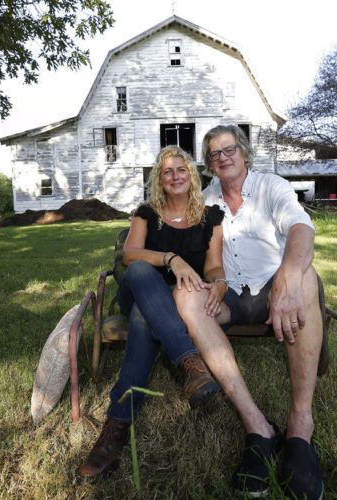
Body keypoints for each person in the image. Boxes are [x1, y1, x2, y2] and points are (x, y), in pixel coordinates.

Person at [173, 125, 324, 499]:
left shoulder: (271, 186)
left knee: (306, 277)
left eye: (229, 149)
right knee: (186, 296)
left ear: (243, 152)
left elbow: (302, 228)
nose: (222, 157)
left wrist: (287, 277)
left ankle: (300, 426)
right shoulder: (205, 199)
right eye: (214, 154)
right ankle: (258, 427)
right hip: (230, 295)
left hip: (274, 288)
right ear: (208, 164)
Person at [78, 145, 228, 479]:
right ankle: (190, 363)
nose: (175, 176)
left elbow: (215, 266)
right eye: (167, 172)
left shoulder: (211, 218)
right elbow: (130, 255)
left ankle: (115, 427)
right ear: (159, 180)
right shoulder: (147, 213)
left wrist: (219, 285)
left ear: (192, 175)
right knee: (144, 274)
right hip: (139, 288)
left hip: (174, 302)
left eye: (181, 169)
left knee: (145, 319)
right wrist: (170, 258)